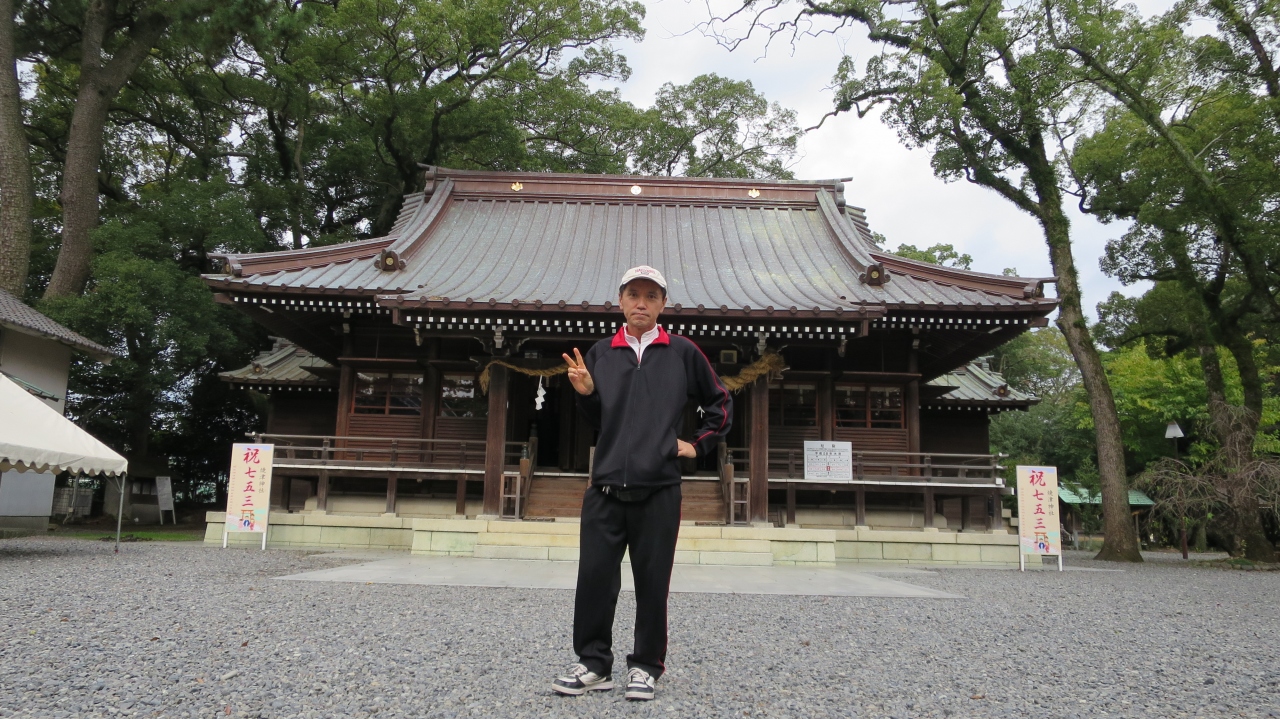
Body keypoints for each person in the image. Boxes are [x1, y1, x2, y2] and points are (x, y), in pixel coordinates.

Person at [551, 265, 732, 701]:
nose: (641, 303)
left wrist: (697, 445)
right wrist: (586, 394)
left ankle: (646, 666)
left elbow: (720, 402)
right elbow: (599, 421)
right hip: (605, 487)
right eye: (634, 294)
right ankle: (594, 664)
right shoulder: (600, 353)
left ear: (663, 304)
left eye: (652, 296)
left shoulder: (682, 352)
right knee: (595, 580)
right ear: (620, 300)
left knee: (652, 584)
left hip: (659, 490)